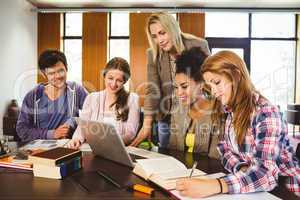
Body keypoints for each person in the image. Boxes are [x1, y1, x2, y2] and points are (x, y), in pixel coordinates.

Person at [176, 50, 300, 198]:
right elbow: (225, 150)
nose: (214, 92)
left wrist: (217, 185)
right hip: (255, 189)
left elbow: (266, 174)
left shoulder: (266, 113)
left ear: (236, 76)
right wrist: (242, 168)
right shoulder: (230, 111)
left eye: (217, 83)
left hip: (285, 192)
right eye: (210, 85)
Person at [130, 12, 210, 148]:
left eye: (162, 33)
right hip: (166, 114)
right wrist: (147, 125)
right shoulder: (153, 54)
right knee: (168, 153)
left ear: (172, 28)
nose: (159, 40)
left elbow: (209, 79)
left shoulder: (198, 45)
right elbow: (152, 89)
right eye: (154, 36)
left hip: (194, 110)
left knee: (197, 149)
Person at [16, 50, 88, 142]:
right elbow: (22, 129)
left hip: (70, 147)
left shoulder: (76, 90)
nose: (58, 76)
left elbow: (93, 114)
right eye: (52, 73)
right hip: (41, 149)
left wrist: (74, 121)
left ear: (67, 68)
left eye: (61, 71)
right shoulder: (33, 96)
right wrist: (52, 134)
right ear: (44, 74)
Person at [68, 57, 140, 149]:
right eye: (110, 78)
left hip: (118, 150)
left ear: (124, 82)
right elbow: (82, 127)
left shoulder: (132, 99)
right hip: (94, 150)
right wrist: (76, 139)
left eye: (119, 80)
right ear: (104, 76)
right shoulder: (92, 98)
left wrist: (109, 143)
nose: (114, 84)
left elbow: (130, 133)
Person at [168, 47, 220, 159]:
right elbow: (172, 151)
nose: (179, 93)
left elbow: (215, 160)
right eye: (176, 87)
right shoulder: (177, 110)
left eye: (184, 86)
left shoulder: (218, 114)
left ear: (201, 83)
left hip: (206, 174)